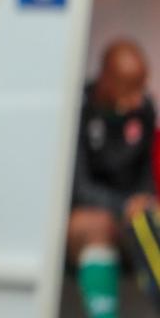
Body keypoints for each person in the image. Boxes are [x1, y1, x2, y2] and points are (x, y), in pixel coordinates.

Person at [68, 39, 156, 318]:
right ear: (106, 80)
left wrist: (144, 202)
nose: (137, 97)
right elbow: (77, 187)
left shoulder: (143, 110)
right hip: (83, 222)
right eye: (130, 88)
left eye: (141, 87)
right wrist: (123, 205)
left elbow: (146, 177)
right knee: (97, 225)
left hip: (132, 219)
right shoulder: (76, 110)